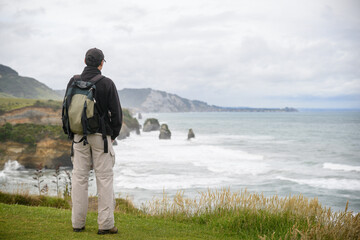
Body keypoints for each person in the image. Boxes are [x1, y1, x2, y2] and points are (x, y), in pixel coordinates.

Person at [64, 48, 122, 235]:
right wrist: (113, 134)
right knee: (104, 179)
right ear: (101, 63)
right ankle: (105, 225)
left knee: (79, 178)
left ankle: (77, 223)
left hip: (78, 136)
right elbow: (117, 114)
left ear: (84, 60)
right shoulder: (107, 83)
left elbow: (66, 107)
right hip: (100, 138)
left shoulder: (73, 81)